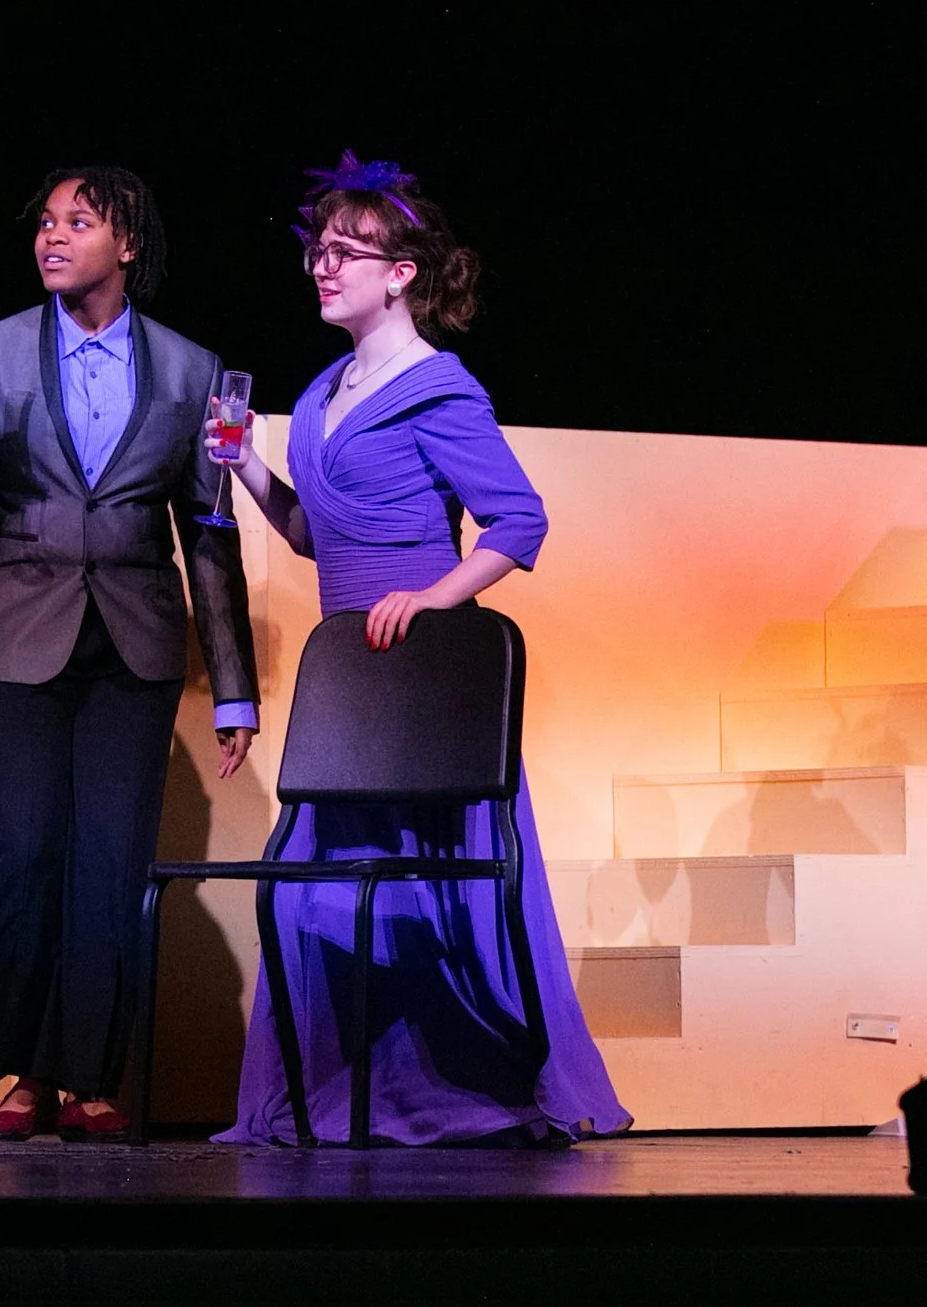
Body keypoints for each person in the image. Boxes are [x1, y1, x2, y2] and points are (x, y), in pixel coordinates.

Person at [216, 151, 629, 1145]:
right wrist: (246, 471)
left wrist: (431, 597)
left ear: (401, 272)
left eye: (347, 251)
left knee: (429, 891)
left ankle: (460, 1079)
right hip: (345, 682)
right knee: (333, 890)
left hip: (422, 675)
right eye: (317, 249)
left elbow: (516, 521)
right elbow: (315, 535)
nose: (324, 266)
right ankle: (341, 1091)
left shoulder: (435, 385)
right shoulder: (319, 391)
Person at [0, 166, 260, 1142]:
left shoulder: (189, 367)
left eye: (78, 222)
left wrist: (233, 689)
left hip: (134, 644)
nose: (52, 236)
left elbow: (209, 533)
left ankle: (92, 1078)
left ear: (126, 244)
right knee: (24, 858)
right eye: (45, 221)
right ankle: (25, 1077)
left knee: (108, 862)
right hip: (13, 641)